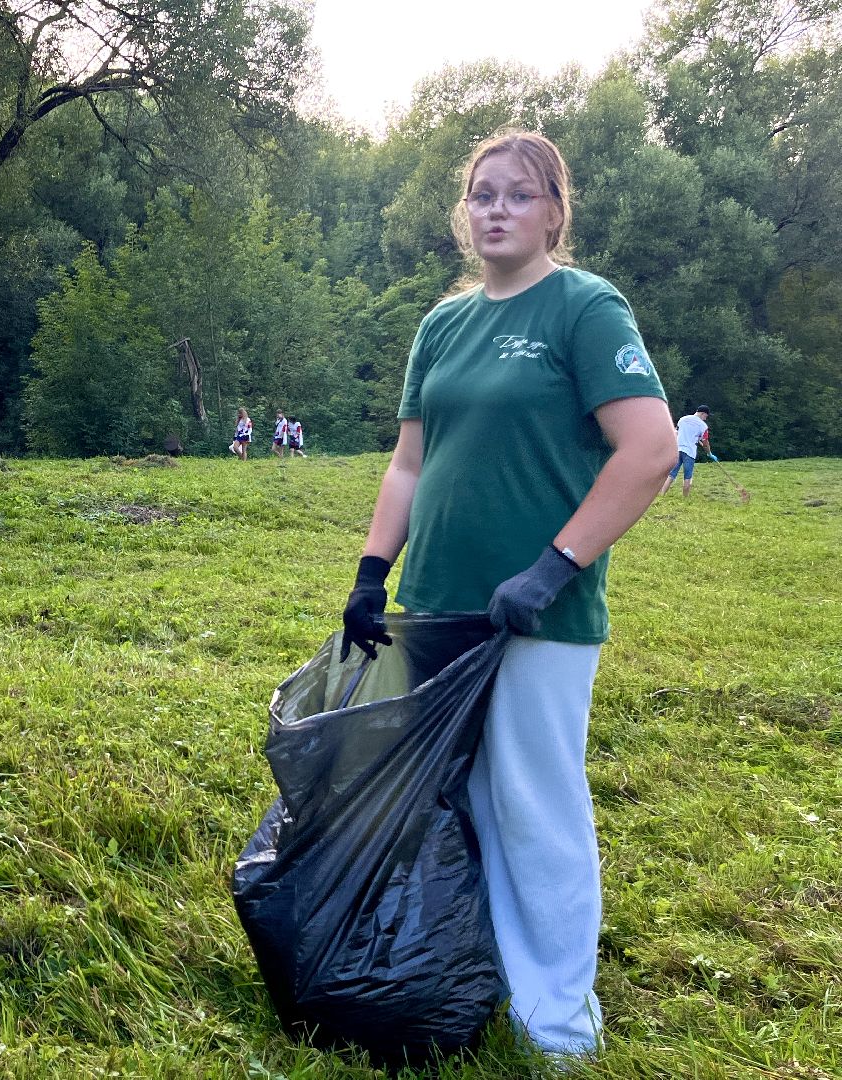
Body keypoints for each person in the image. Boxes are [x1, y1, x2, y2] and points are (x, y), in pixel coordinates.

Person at [339, 131, 676, 1060]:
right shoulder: (442, 325)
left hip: (537, 613)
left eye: (519, 196)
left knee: (535, 805)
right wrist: (372, 574)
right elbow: (411, 462)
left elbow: (650, 448)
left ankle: (558, 1024)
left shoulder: (584, 308)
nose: (496, 209)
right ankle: (474, 979)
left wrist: (556, 566)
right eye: (482, 194)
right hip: (437, 608)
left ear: (554, 212)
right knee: (459, 802)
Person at [659, 406, 711, 496]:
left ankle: (662, 495)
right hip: (689, 452)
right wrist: (709, 452)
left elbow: (676, 432)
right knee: (687, 477)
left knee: (671, 474)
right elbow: (705, 442)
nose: (705, 419)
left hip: (677, 449)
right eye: (706, 416)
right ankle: (685, 499)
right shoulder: (703, 426)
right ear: (703, 413)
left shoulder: (682, 419)